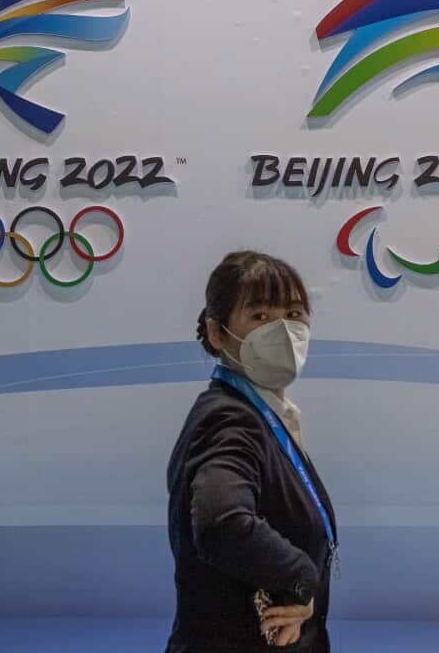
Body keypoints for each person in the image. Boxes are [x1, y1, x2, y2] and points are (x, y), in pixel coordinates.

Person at [165, 250, 338, 652]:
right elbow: (220, 521)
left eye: (294, 315)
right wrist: (299, 577)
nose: (282, 330)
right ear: (217, 333)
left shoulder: (263, 414)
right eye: (260, 316)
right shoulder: (229, 420)